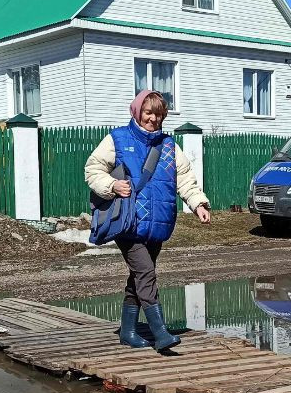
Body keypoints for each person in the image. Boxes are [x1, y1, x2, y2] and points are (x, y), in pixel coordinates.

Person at [84, 89, 211, 350]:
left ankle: (128, 331)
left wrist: (198, 203)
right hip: (128, 222)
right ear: (137, 111)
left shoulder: (169, 145)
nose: (153, 119)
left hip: (158, 223)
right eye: (148, 112)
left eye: (159, 114)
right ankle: (160, 332)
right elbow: (93, 169)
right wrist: (112, 185)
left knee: (139, 277)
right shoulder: (117, 139)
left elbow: (185, 179)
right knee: (145, 273)